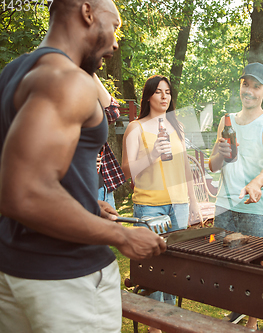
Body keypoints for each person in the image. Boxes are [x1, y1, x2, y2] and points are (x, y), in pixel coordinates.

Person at [0, 1, 166, 332]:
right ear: (87, 13)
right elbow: (24, 193)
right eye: (115, 26)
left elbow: (20, 168)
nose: (116, 42)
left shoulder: (13, 73)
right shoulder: (69, 80)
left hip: (13, 269)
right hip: (67, 280)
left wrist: (85, 202)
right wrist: (121, 236)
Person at [122, 75, 201, 333]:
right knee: (153, 267)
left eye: (167, 92)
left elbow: (186, 167)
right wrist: (153, 154)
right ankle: (154, 326)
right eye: (158, 92)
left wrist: (194, 203)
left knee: (175, 266)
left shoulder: (176, 127)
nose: (164, 96)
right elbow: (126, 171)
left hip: (178, 204)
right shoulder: (137, 127)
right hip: (150, 207)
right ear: (148, 97)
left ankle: (170, 321)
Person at [209, 62, 263, 329]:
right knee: (226, 267)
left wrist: (256, 184)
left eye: (255, 86)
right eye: (245, 84)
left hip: (256, 208)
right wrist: (218, 152)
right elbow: (214, 166)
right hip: (224, 206)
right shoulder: (226, 120)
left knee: (256, 269)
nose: (249, 90)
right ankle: (236, 312)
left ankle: (252, 324)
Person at [94, 74, 126, 210]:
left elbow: (112, 112)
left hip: (103, 189)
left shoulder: (89, 102)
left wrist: (89, 71)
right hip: (77, 190)